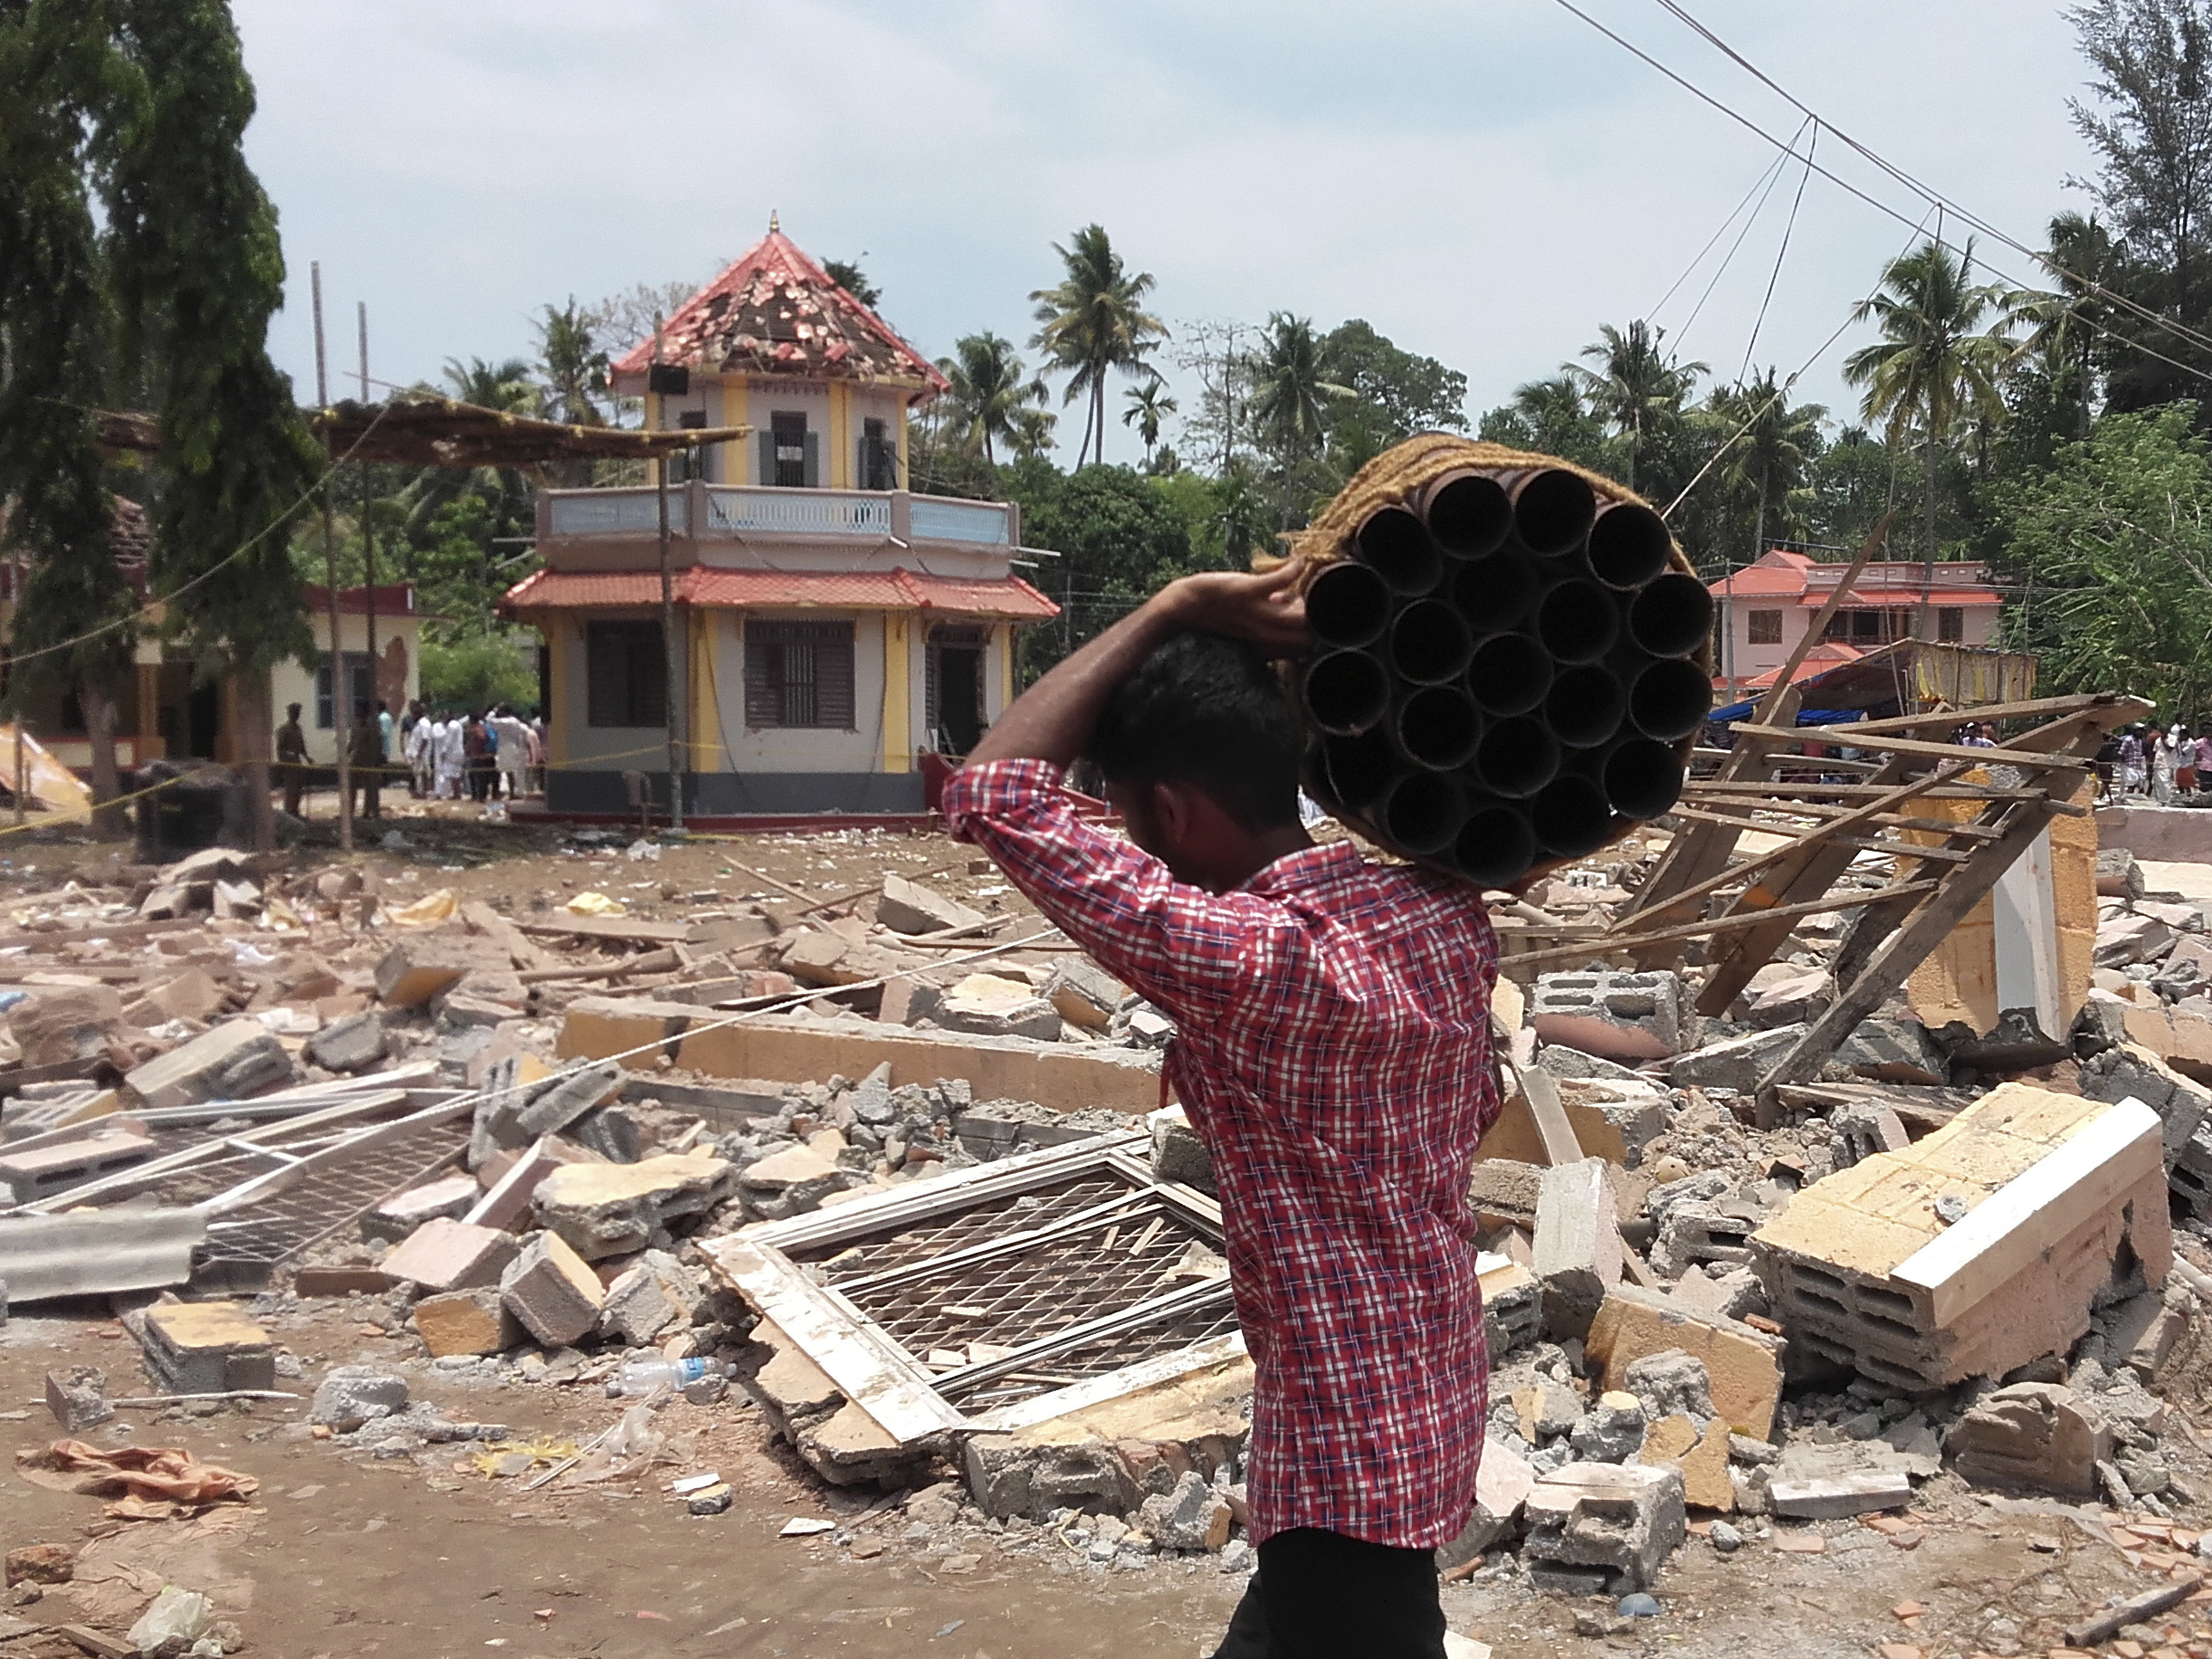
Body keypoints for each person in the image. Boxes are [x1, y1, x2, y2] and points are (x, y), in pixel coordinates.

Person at [942, 563, 1499, 1659]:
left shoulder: (1249, 964)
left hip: (1345, 1439)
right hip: (1426, 1393)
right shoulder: (1442, 915)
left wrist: (1172, 607)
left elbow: (991, 793)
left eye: (1132, 821)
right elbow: (1476, 1101)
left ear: (1171, 810)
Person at [274, 702, 310, 818]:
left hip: (297, 763)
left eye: (297, 713)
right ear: (289, 714)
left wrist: (307, 757)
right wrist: (288, 757)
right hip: (288, 764)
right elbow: (280, 748)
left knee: (298, 788)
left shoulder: (298, 729)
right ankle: (289, 812)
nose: (296, 715)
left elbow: (301, 745)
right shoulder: (284, 730)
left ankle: (295, 811)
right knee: (291, 788)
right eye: (294, 713)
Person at [490, 704, 530, 801]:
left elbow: (490, 720)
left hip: (507, 747)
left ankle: (513, 793)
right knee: (512, 771)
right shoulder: (515, 721)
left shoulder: (506, 721)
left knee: (509, 771)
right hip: (513, 746)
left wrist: (493, 711)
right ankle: (514, 792)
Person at [434, 712, 465, 801]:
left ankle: (456, 794)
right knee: (456, 774)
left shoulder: (451, 726)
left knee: (452, 774)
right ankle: (457, 793)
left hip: (452, 753)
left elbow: (448, 740)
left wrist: (443, 751)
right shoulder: (458, 724)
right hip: (459, 751)